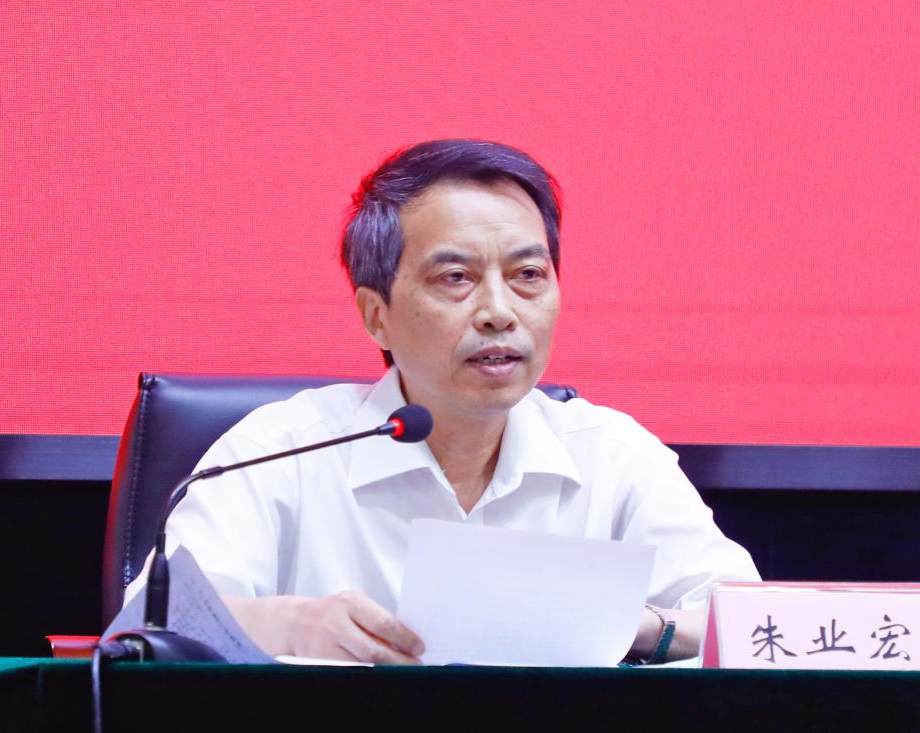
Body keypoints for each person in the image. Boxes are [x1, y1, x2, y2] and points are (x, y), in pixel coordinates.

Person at [126, 139, 760, 664]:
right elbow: (147, 627)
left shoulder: (613, 455)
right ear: (376, 315)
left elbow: (761, 628)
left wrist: (634, 624)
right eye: (456, 278)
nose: (499, 312)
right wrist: (293, 625)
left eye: (528, 275)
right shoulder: (281, 451)